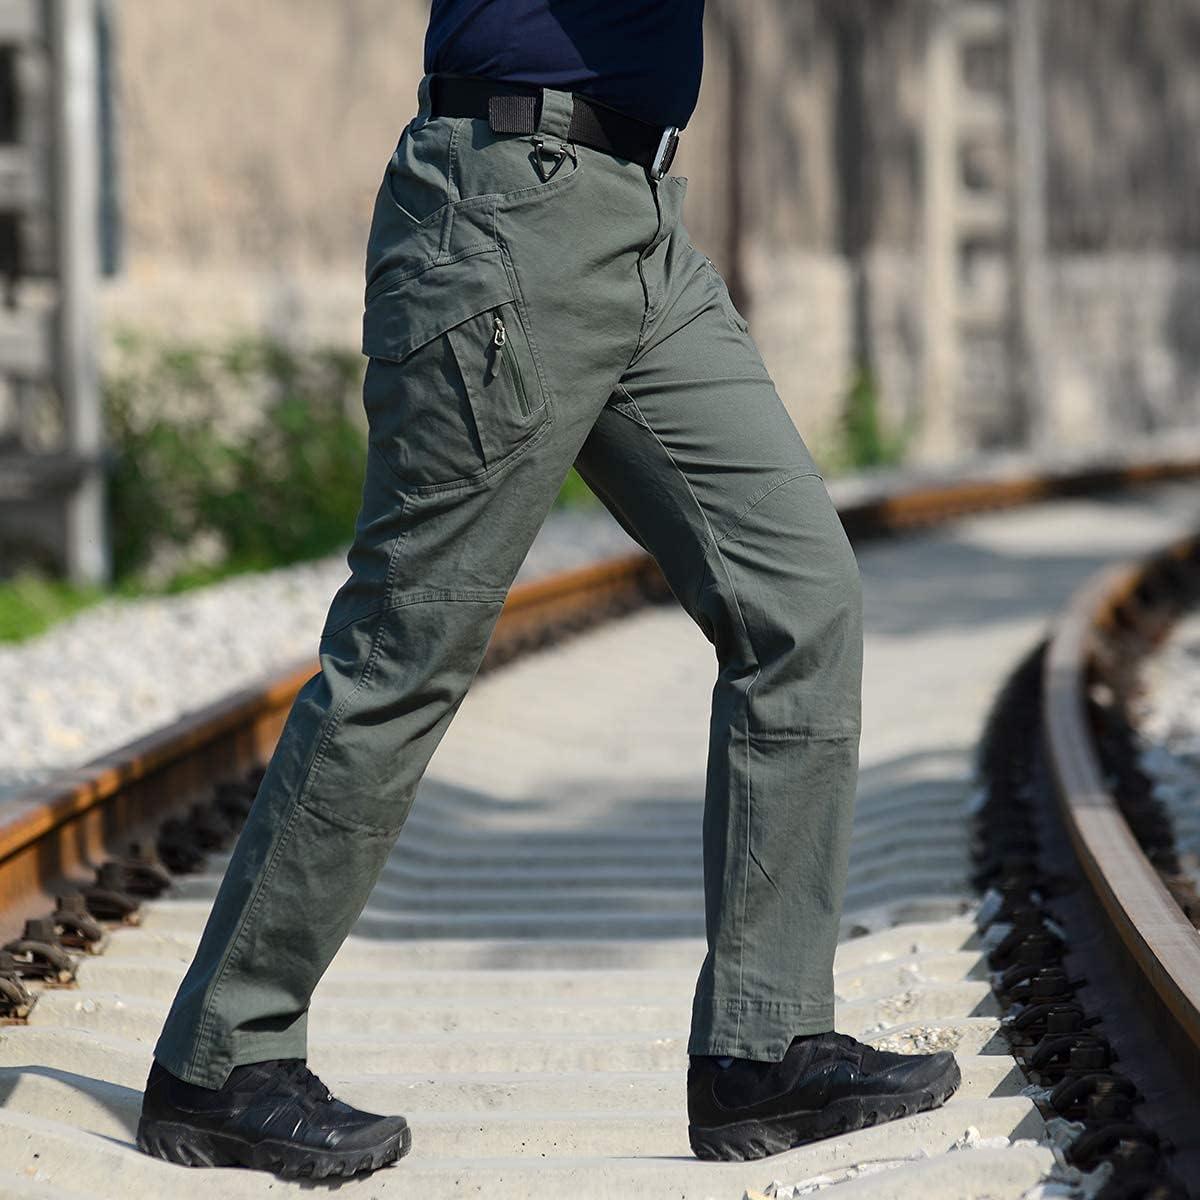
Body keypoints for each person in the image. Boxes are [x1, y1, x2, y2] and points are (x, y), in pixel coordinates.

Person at [136, 0, 960, 1179]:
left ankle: (764, 1045)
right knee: (404, 655)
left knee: (802, 599)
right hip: (509, 213)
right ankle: (223, 1058)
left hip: (642, 223)